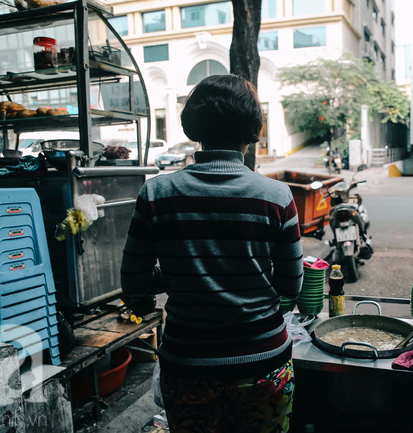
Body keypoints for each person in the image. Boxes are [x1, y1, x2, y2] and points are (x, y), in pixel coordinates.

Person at [120, 74, 304, 433]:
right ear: (252, 130)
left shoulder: (156, 194)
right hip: (263, 364)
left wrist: (175, 278)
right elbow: (291, 285)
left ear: (193, 126)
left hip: (188, 365)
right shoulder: (277, 196)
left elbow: (134, 284)